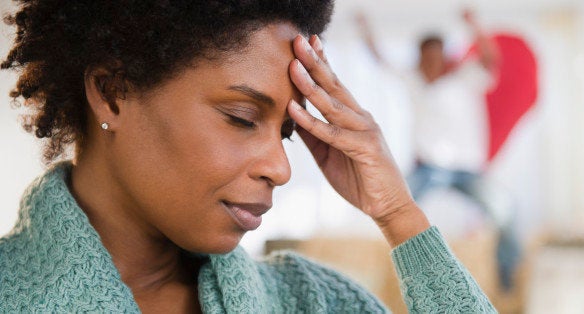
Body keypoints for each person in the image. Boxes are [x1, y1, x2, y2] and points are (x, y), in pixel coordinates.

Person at [0, 1, 496, 313]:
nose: (280, 168)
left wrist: (398, 214)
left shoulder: (313, 301)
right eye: (240, 117)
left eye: (287, 132)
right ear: (112, 93)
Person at [358, 10, 520, 290]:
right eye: (426, 57)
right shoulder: (413, 80)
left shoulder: (466, 76)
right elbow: (379, 59)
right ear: (419, 58)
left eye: (436, 56)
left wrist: (474, 25)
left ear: (445, 57)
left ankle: (507, 276)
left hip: (467, 168)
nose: (431, 63)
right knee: (389, 208)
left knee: (504, 209)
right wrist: (364, 28)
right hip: (429, 167)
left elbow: (492, 59)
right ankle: (392, 271)